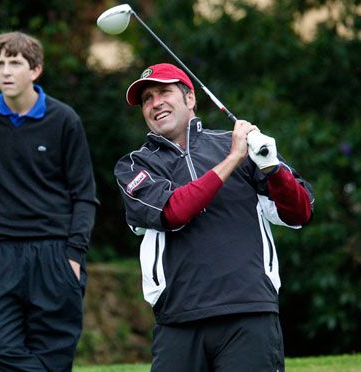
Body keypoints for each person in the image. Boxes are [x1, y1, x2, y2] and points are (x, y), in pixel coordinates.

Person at [114, 63, 314, 372]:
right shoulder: (136, 165)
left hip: (249, 311)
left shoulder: (239, 145)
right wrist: (234, 158)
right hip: (179, 319)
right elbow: (173, 211)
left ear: (190, 98)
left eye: (164, 92)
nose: (155, 103)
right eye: (147, 99)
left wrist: (273, 168)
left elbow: (299, 212)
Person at [0, 31, 98, 372]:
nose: (6, 72)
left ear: (35, 70)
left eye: (15, 63)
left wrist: (74, 254)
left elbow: (85, 195)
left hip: (55, 254)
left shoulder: (64, 119)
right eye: (0, 64)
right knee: (1, 355)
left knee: (54, 358)